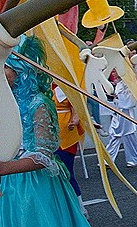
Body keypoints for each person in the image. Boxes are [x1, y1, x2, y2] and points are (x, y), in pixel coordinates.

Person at [0, 37, 90, 227]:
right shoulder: (7, 103)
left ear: (22, 69)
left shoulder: (38, 104)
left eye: (5, 66)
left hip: (38, 188)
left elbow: (43, 156)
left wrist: (1, 168)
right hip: (12, 186)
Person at [53, 83, 86, 215]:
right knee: (52, 175)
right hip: (49, 133)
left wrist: (75, 118)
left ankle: (80, 209)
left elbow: (77, 106)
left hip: (66, 134)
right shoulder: (44, 84)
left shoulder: (67, 85)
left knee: (66, 173)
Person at [105, 72, 137, 168]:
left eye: (115, 71)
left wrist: (120, 98)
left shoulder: (128, 83)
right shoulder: (118, 84)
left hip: (125, 112)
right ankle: (108, 159)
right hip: (118, 111)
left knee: (128, 135)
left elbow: (131, 100)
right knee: (114, 134)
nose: (113, 73)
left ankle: (134, 158)